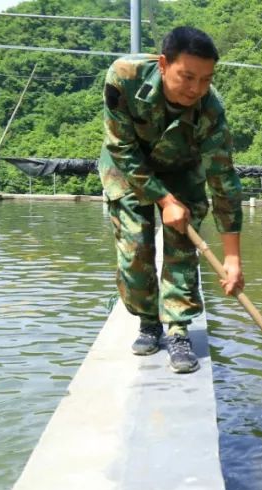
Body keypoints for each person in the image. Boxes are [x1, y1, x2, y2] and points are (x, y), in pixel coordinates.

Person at [99, 26, 245, 373]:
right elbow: (121, 148)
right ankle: (149, 320)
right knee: (136, 251)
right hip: (128, 167)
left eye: (206, 79)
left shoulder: (210, 110)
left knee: (182, 246)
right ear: (164, 64)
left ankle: (178, 329)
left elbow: (223, 180)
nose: (196, 89)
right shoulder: (124, 78)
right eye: (187, 77)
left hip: (183, 171)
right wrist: (164, 200)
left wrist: (233, 258)